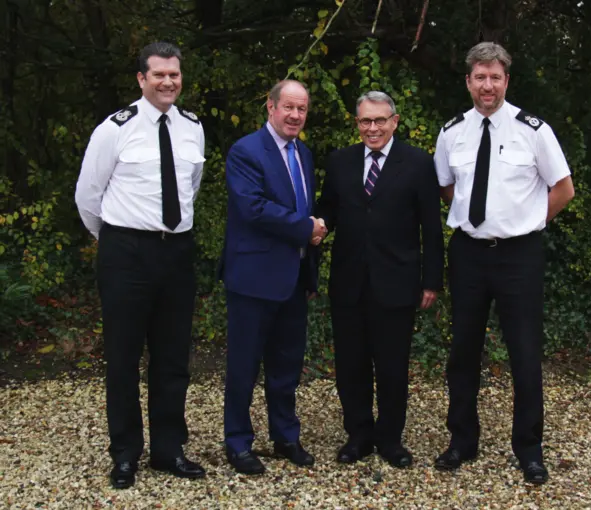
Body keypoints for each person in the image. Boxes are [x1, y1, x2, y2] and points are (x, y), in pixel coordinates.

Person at [433, 42, 575, 485]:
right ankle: (462, 441)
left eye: (495, 77)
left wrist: (527, 222)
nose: (487, 85)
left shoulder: (533, 130)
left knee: (525, 353)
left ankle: (529, 449)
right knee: (463, 352)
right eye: (480, 77)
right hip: (470, 254)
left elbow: (563, 188)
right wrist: (477, 221)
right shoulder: (452, 131)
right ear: (469, 81)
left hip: (520, 256)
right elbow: (446, 186)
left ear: (506, 80)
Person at [75, 42, 207, 489]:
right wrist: (116, 242)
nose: (168, 81)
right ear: (141, 79)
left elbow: (191, 186)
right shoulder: (115, 129)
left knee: (172, 359)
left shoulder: (193, 128)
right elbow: (88, 197)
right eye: (158, 75)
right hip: (126, 254)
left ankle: (169, 450)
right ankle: (126, 453)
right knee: (123, 357)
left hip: (177, 252)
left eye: (174, 74)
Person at [316, 91, 444, 468]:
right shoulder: (340, 161)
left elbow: (431, 227)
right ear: (357, 123)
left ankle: (390, 438)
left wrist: (431, 280)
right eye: (365, 121)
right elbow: (328, 211)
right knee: (351, 365)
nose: (372, 128)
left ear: (394, 121)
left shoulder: (419, 163)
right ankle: (358, 435)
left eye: (379, 121)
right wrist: (314, 229)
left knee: (392, 366)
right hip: (349, 280)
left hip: (398, 281)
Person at [219, 80, 325, 475]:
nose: (295, 115)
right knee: (244, 365)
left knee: (286, 365)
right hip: (253, 277)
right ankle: (238, 442)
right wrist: (306, 228)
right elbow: (254, 208)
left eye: (302, 109)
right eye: (289, 108)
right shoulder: (246, 151)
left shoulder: (304, 154)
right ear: (271, 107)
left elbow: (304, 205)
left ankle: (285, 437)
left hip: (293, 277)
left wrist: (309, 242)